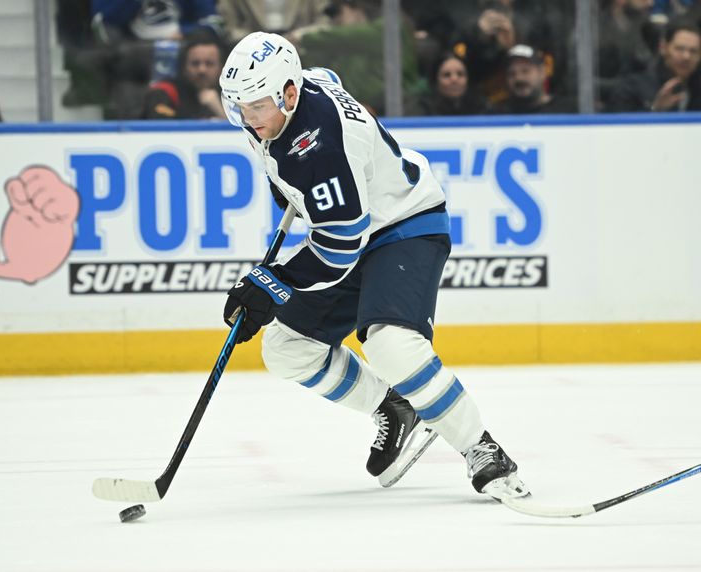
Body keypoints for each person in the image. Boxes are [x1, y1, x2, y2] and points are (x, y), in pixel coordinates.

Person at [217, 31, 530, 498]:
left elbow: (340, 246)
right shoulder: (298, 90)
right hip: (359, 228)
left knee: (392, 347)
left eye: (256, 105)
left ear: (287, 93)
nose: (247, 117)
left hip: (405, 225)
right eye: (238, 106)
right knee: (287, 348)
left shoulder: (320, 146)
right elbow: (329, 78)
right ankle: (394, 407)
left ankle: (482, 450)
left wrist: (273, 283)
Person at [609, 18, 701, 111]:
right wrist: (655, 110)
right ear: (663, 48)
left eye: (693, 51)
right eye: (679, 49)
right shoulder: (631, 88)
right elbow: (620, 123)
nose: (686, 57)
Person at [142, 30, 227, 119]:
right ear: (184, 67)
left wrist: (219, 111)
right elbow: (159, 129)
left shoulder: (233, 94)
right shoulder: (165, 92)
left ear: (221, 68)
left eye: (209, 63)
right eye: (195, 63)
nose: (202, 70)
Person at [490, 44, 576, 114]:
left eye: (525, 71)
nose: (519, 78)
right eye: (512, 74)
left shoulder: (567, 111)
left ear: (542, 73)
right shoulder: (498, 115)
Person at [416, 53, 488, 116]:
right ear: (435, 81)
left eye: (460, 74)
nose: (454, 79)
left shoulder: (483, 109)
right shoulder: (422, 111)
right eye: (447, 75)